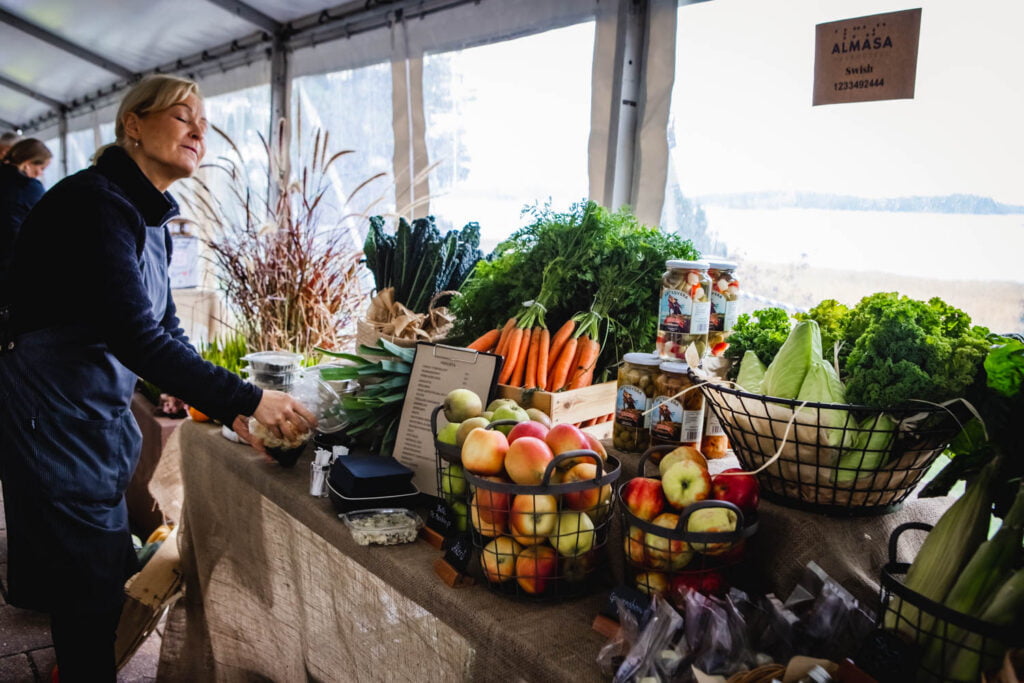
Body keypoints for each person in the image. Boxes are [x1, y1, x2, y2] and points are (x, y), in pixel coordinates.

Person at [0, 75, 316, 681]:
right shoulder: (96, 203)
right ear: (133, 127)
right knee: (88, 578)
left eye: (204, 120)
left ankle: (78, 657)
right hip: (53, 406)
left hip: (90, 405)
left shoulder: (146, 217)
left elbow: (163, 327)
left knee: (95, 561)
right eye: (181, 116)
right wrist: (248, 396)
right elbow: (133, 336)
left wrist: (232, 410)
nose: (199, 129)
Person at [0, 138, 52, 280]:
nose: (40, 174)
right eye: (40, 168)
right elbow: (46, 220)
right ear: (28, 163)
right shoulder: (29, 187)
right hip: (11, 257)